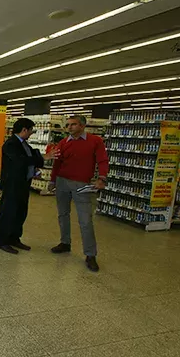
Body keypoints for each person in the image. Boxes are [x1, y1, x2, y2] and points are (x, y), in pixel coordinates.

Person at [48, 115, 109, 272]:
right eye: (67, 125)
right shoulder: (63, 142)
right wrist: (52, 180)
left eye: (73, 124)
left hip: (82, 184)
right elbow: (57, 162)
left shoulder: (95, 141)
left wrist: (102, 177)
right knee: (63, 214)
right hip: (62, 181)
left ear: (82, 126)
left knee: (85, 220)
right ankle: (65, 242)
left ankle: (90, 254)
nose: (69, 127)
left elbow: (102, 160)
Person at [0, 118, 58, 254]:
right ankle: (2, 241)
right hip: (12, 184)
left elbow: (29, 160)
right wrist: (44, 157)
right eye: (31, 130)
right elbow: (20, 161)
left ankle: (14, 238)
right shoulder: (10, 144)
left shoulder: (25, 144)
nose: (31, 133)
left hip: (23, 183)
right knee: (9, 212)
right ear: (24, 129)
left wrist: (34, 170)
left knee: (20, 212)